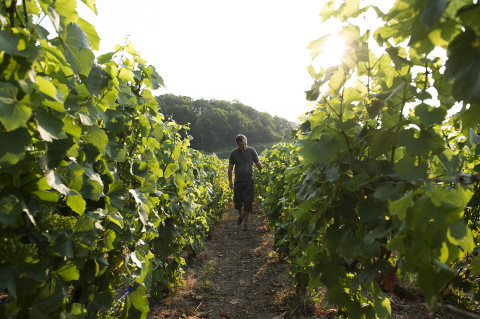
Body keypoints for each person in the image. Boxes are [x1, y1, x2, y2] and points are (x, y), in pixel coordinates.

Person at [228, 134, 262, 231]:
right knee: (238, 202)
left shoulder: (251, 151)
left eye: (245, 144)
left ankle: (245, 224)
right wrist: (230, 181)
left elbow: (258, 163)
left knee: (248, 202)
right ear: (237, 144)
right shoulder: (233, 154)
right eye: (242, 144)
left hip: (248, 181)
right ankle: (241, 215)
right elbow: (230, 169)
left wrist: (262, 169)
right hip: (238, 181)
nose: (244, 146)